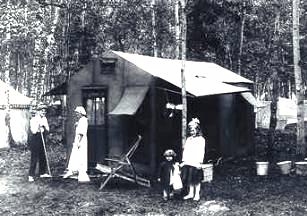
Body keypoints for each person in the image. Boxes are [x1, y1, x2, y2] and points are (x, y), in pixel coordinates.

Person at [180, 118, 206, 201]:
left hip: (196, 161)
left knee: (196, 179)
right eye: (191, 130)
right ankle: (191, 193)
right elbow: (186, 150)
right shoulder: (189, 139)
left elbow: (201, 151)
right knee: (190, 177)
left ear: (198, 130)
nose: (192, 132)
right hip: (189, 160)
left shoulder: (201, 140)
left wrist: (199, 162)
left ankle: (197, 194)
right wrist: (184, 160)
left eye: (194, 130)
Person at [63, 106, 90, 182]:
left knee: (81, 155)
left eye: (77, 113)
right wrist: (77, 124)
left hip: (81, 140)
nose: (76, 114)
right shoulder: (81, 120)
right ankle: (72, 170)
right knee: (75, 155)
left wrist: (78, 142)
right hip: (78, 139)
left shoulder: (83, 120)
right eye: (76, 113)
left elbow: (81, 133)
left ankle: (81, 173)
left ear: (81, 113)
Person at [28, 103, 50, 182]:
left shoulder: (44, 119)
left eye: (44, 111)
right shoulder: (33, 119)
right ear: (38, 111)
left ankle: (42, 172)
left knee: (43, 155)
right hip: (35, 138)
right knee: (34, 156)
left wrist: (44, 126)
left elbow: (48, 129)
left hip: (42, 137)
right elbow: (33, 131)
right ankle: (31, 175)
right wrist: (38, 125)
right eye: (42, 111)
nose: (43, 113)